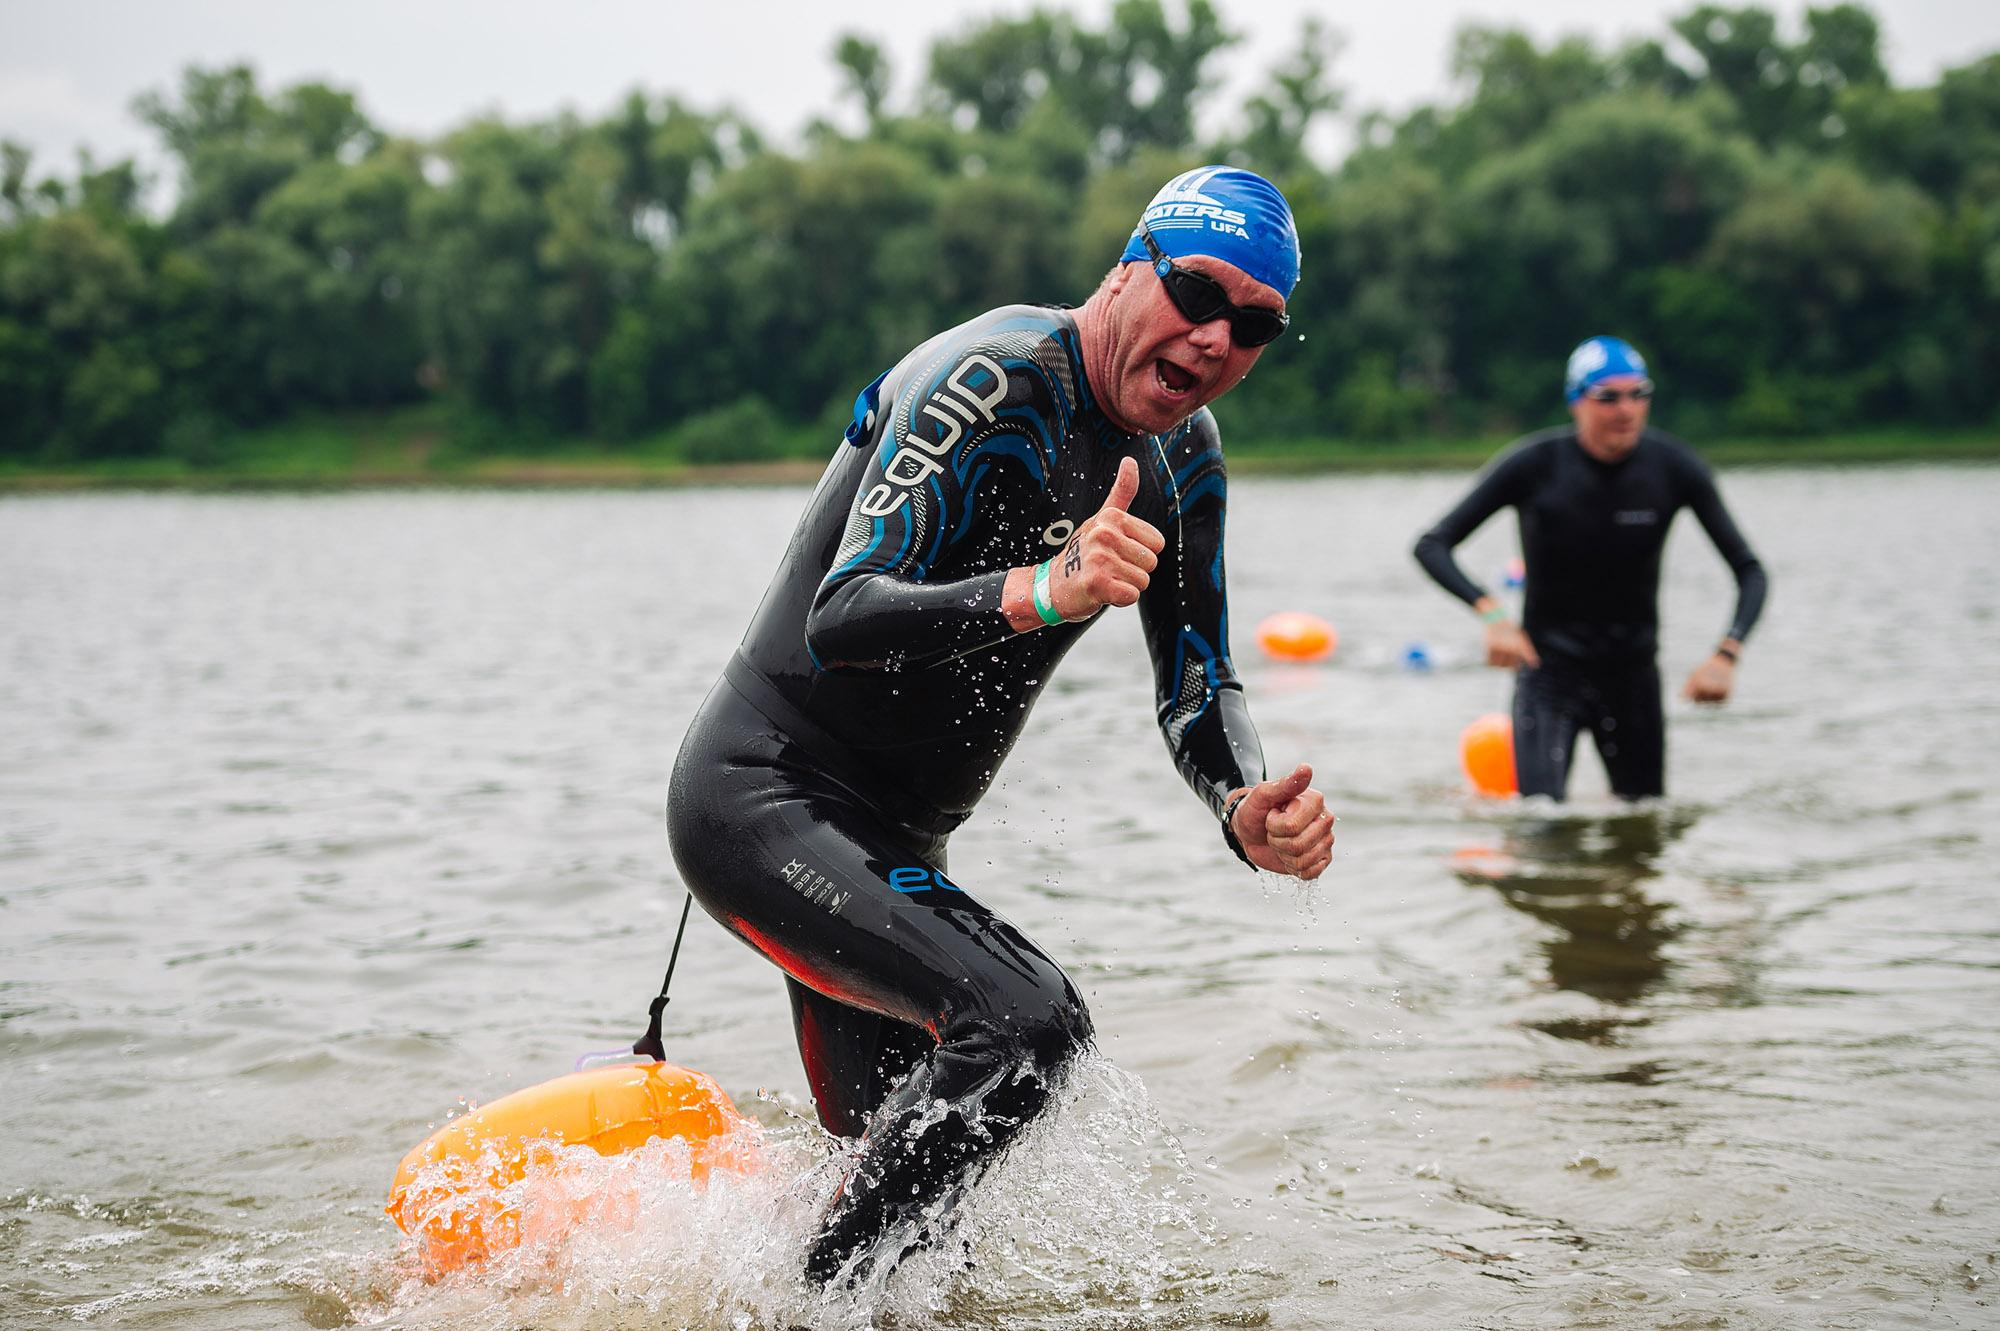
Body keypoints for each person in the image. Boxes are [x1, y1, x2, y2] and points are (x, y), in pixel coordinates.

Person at [666, 166, 1337, 1284]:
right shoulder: (987, 379)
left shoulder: (1187, 460)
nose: (1216, 337)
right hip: (760, 797)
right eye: (1195, 294)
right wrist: (1043, 588)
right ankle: (801, 1314)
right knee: (1028, 1022)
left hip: (891, 851)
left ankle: (743, 1293)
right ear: (1126, 270)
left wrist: (1239, 801)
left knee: (910, 1223)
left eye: (1254, 322)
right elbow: (841, 616)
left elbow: (1197, 681)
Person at [1412, 335, 1768, 801]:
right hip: (1548, 672)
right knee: (1542, 822)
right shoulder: (1534, 464)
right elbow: (1432, 545)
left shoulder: (1674, 467)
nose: (1627, 409)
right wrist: (1493, 615)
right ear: (1576, 402)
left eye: (1639, 394)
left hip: (1633, 675)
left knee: (1642, 828)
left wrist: (1727, 654)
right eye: (1609, 397)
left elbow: (1750, 570)